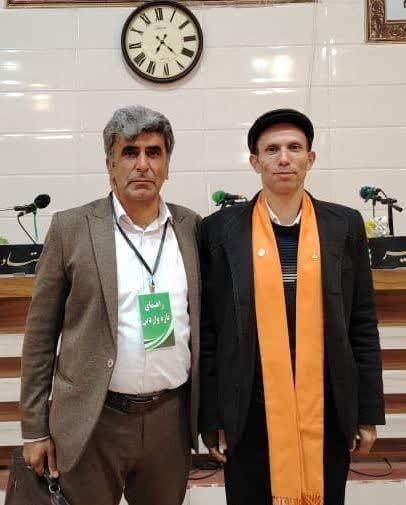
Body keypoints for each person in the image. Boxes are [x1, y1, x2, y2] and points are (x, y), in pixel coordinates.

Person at [199, 109, 385, 505]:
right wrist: (212, 417)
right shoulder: (220, 231)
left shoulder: (344, 226)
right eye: (272, 150)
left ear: (310, 158)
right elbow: (211, 329)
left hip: (326, 406)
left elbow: (362, 323)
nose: (284, 158)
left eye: (294, 148)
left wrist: (367, 411)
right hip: (248, 408)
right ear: (255, 162)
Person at [20, 105, 201, 505]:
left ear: (167, 164)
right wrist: (34, 428)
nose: (142, 165)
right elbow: (40, 336)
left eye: (154, 152)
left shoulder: (190, 227)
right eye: (129, 152)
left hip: (170, 419)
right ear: (110, 165)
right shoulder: (71, 228)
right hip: (93, 417)